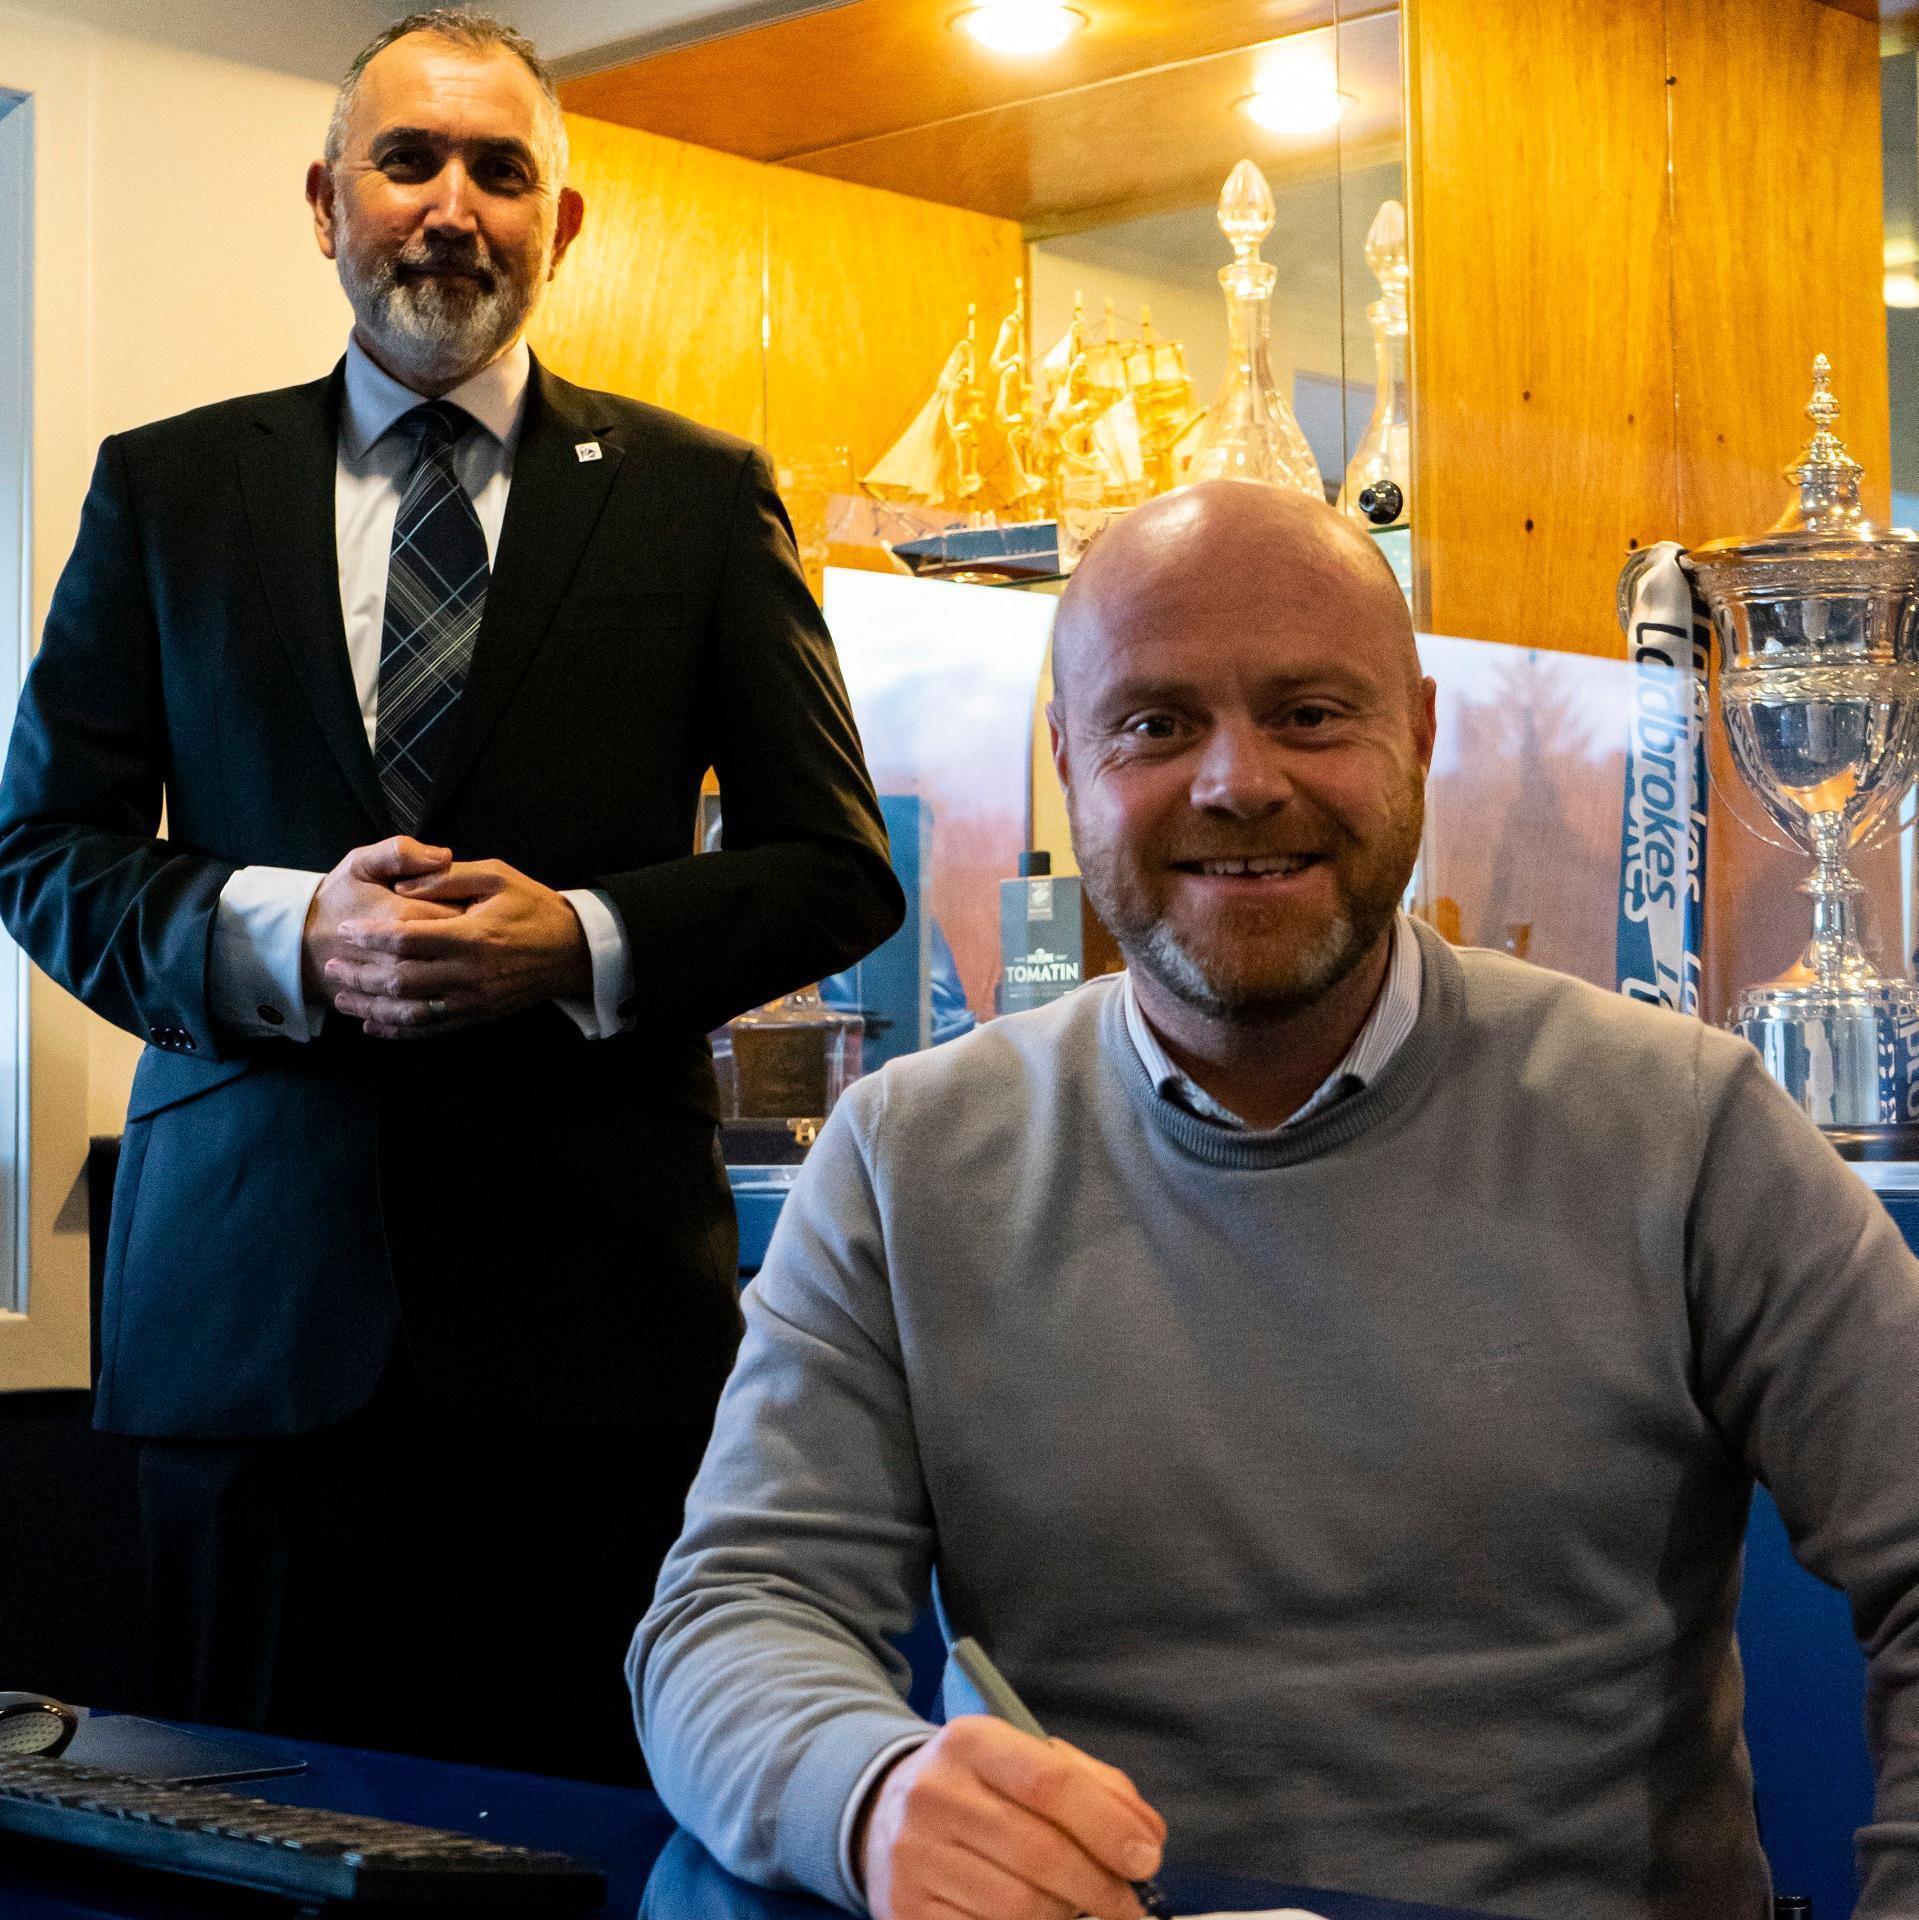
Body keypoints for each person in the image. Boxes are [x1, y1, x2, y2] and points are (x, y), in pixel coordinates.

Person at [631, 480, 1919, 1919]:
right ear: (1070, 761)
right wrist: (864, 1797)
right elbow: (737, 1615)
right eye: (1158, 723)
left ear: (1420, 738)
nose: (1238, 782)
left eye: (1311, 714)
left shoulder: (1685, 1128)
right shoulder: (902, 1160)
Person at [0, 9, 901, 1782]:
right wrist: (285, 934)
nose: (452, 207)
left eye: (503, 170)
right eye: (410, 162)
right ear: (328, 197)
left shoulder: (701, 502)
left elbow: (832, 864)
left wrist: (588, 937)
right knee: (241, 1850)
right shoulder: (168, 490)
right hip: (243, 1338)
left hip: (593, 1351)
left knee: (585, 1851)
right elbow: (45, 851)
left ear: (562, 227)